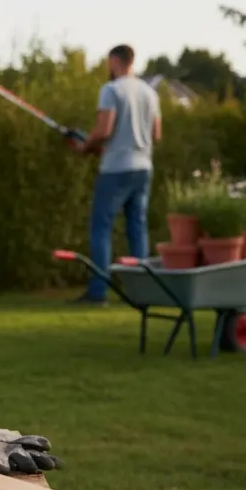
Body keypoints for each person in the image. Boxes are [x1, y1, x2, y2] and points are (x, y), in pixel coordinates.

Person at [70, 44, 162, 305]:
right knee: (137, 228)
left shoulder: (110, 90)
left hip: (115, 170)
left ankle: (98, 292)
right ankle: (141, 291)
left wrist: (85, 147)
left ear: (115, 61)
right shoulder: (149, 93)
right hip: (143, 167)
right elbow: (156, 135)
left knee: (101, 228)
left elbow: (104, 130)